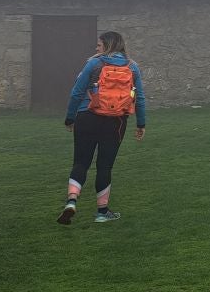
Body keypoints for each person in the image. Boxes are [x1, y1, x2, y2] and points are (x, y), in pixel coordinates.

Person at [57, 31, 146, 225]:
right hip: (116, 122)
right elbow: (139, 98)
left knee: (81, 163)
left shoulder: (93, 64)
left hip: (87, 117)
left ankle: (71, 201)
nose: (96, 48)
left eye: (99, 45)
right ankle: (102, 212)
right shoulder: (133, 67)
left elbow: (76, 92)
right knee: (105, 166)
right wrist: (141, 123)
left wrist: (70, 118)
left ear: (108, 45)